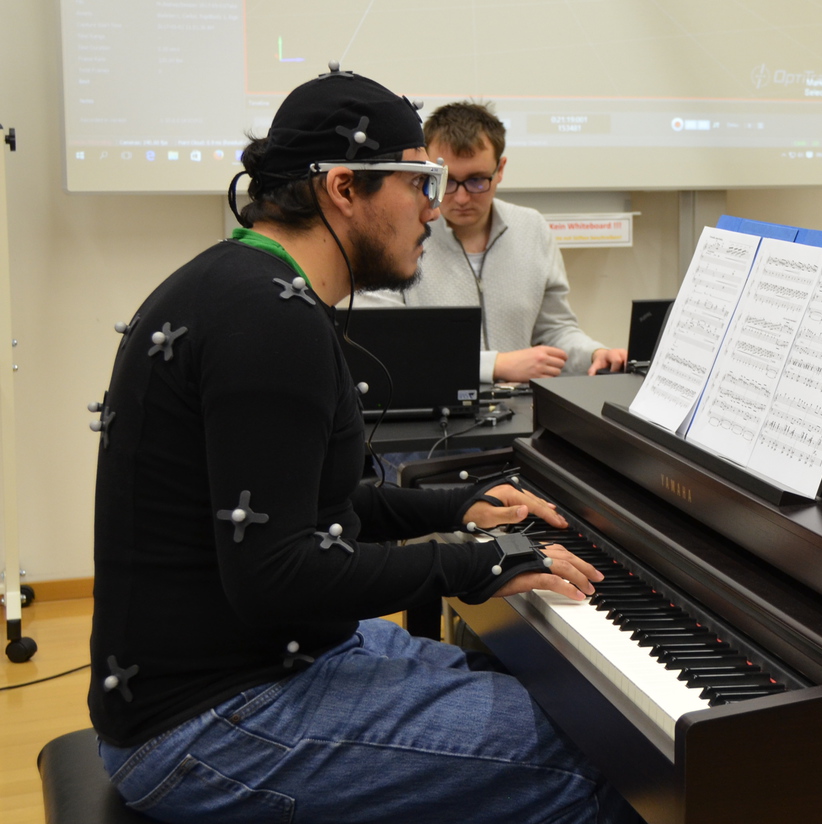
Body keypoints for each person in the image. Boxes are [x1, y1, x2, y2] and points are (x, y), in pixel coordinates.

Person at [89, 67, 638, 823]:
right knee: (602, 758)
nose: (435, 210)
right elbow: (278, 574)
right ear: (343, 188)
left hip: (254, 669)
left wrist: (462, 507)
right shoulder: (268, 321)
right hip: (211, 723)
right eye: (419, 183)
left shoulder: (246, 285)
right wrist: (478, 562)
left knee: (554, 697)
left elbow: (319, 507)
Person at [356, 101, 626, 382]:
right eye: (447, 180)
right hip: (435, 404)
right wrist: (493, 365)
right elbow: (382, 342)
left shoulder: (531, 228)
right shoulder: (395, 234)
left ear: (500, 169)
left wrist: (594, 354)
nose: (462, 198)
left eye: (477, 181)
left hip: (520, 404)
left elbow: (555, 331)